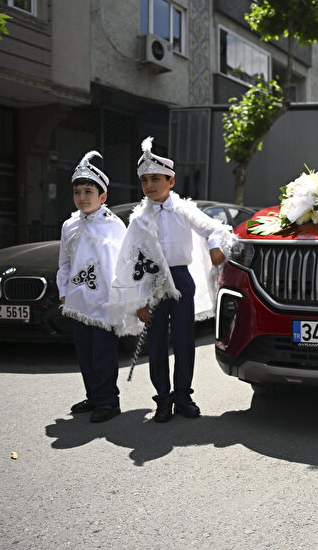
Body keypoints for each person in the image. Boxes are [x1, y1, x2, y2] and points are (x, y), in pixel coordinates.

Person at [108, 137, 236, 423]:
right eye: (144, 180)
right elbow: (129, 261)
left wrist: (216, 246)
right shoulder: (139, 218)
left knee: (183, 341)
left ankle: (183, 396)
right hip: (152, 284)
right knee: (156, 344)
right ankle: (162, 399)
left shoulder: (184, 210)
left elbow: (213, 227)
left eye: (156, 178)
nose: (150, 185)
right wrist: (138, 301)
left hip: (180, 279)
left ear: (171, 180)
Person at [57, 151, 127, 423]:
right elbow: (64, 263)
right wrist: (63, 291)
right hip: (77, 301)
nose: (83, 197)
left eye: (89, 191)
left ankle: (109, 400)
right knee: (85, 354)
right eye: (77, 191)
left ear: (103, 196)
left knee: (103, 354)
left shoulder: (114, 225)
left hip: (104, 302)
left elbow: (124, 264)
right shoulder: (69, 225)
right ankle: (94, 396)